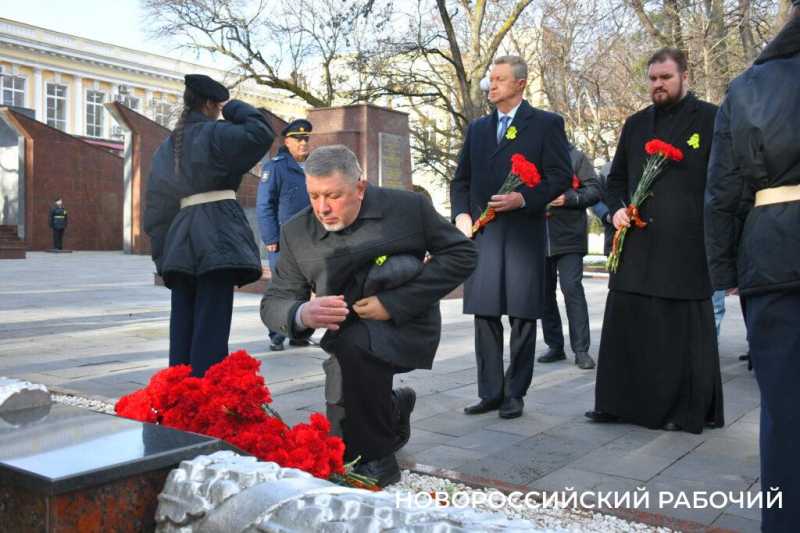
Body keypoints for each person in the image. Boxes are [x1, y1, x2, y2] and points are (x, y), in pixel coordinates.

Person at [261, 145, 477, 486]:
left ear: (360, 188)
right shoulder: (296, 231)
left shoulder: (408, 208)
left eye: (333, 195)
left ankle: (378, 461)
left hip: (405, 319)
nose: (322, 208)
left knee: (353, 357)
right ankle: (388, 411)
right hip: (344, 329)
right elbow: (276, 299)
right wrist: (301, 312)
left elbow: (462, 254)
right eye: (314, 195)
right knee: (343, 404)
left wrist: (395, 302)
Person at [586, 48, 724, 434]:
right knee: (629, 321)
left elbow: (724, 182)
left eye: (665, 77)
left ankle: (682, 409)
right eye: (652, 79)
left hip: (686, 245)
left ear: (684, 77)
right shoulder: (635, 124)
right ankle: (617, 404)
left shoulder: (711, 119)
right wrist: (614, 211)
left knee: (677, 330)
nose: (658, 85)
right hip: (637, 244)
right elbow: (614, 183)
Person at [705, 5, 800, 529]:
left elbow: (722, 192)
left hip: (774, 254)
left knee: (785, 414)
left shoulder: (749, 87)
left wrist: (724, 272)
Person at [450, 55, 572, 419]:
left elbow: (559, 176)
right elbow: (461, 180)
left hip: (522, 235)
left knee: (522, 315)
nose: (492, 85)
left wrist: (524, 198)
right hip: (483, 236)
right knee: (485, 315)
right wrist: (461, 215)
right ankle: (489, 392)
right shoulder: (478, 130)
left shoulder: (546, 124)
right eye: (491, 79)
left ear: (520, 83)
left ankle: (514, 393)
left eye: (500, 79)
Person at [144, 74, 274, 377]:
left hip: (180, 238)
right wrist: (234, 107)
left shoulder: (167, 146)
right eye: (218, 105)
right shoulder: (218, 133)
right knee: (211, 328)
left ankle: (179, 396)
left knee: (183, 327)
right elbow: (261, 132)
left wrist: (162, 257)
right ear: (210, 104)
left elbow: (157, 206)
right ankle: (208, 399)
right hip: (217, 233)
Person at [538, 145, 602, 370]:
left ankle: (581, 349)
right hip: (538, 238)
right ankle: (555, 345)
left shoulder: (576, 157)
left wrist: (570, 198)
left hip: (569, 238)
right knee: (544, 293)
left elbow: (594, 190)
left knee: (571, 289)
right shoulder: (534, 155)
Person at [256, 118, 313, 351]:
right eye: (298, 139)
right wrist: (270, 238)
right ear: (287, 141)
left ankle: (298, 334)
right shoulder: (275, 167)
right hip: (283, 239)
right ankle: (276, 334)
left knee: (304, 286)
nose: (303, 143)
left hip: (309, 238)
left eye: (306, 138)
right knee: (283, 287)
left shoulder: (314, 166)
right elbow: (264, 205)